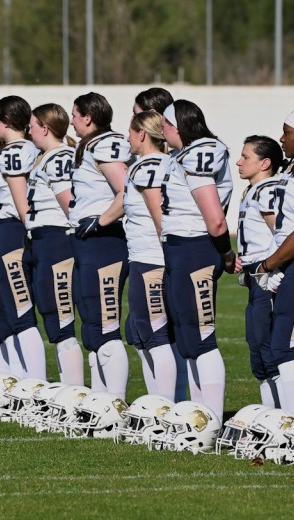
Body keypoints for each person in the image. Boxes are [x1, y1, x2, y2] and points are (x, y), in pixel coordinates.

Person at [160, 99, 234, 416]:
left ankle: (212, 418)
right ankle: (199, 415)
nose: (161, 133)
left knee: (201, 336)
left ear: (177, 126)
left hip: (195, 248)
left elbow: (215, 218)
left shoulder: (201, 151)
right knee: (190, 339)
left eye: (164, 126)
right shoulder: (184, 155)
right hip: (182, 248)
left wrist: (226, 252)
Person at [103, 111, 174, 401]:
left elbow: (160, 217)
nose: (127, 138)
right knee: (142, 333)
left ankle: (166, 409)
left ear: (142, 134)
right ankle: (157, 402)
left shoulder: (148, 166)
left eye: (130, 132)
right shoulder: (149, 165)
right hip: (143, 257)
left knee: (155, 333)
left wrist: (167, 255)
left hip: (152, 258)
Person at [254, 106, 294, 416]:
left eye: (288, 132)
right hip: (293, 260)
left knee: (285, 347)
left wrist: (269, 264)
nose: (281, 139)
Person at [69, 92, 131, 397]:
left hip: (103, 240)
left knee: (105, 324)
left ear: (88, 118)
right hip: (90, 239)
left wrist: (101, 220)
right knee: (93, 325)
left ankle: (115, 404)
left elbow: (126, 190)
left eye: (75, 115)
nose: (72, 120)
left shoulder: (104, 144)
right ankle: (99, 400)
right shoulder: (92, 143)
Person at [0, 95, 45, 378]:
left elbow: (22, 205)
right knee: (9, 309)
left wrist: (29, 233)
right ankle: (16, 379)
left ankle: (34, 383)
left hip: (12, 231)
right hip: (8, 231)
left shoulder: (15, 151)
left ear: (7, 121)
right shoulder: (26, 149)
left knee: (19, 310)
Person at [24, 103, 82, 385]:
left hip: (56, 239)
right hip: (44, 240)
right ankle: (68, 389)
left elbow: (71, 206)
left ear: (45, 128)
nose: (29, 130)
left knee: (61, 318)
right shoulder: (47, 156)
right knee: (53, 316)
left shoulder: (58, 157)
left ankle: (75, 393)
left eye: (33, 125)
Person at [235, 135, 284, 409]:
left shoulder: (268, 189)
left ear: (265, 163)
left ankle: (283, 415)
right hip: (256, 275)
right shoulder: (254, 190)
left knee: (269, 349)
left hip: (269, 275)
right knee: (258, 348)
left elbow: (282, 233)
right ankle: (270, 413)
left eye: (246, 157)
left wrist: (274, 269)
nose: (239, 162)